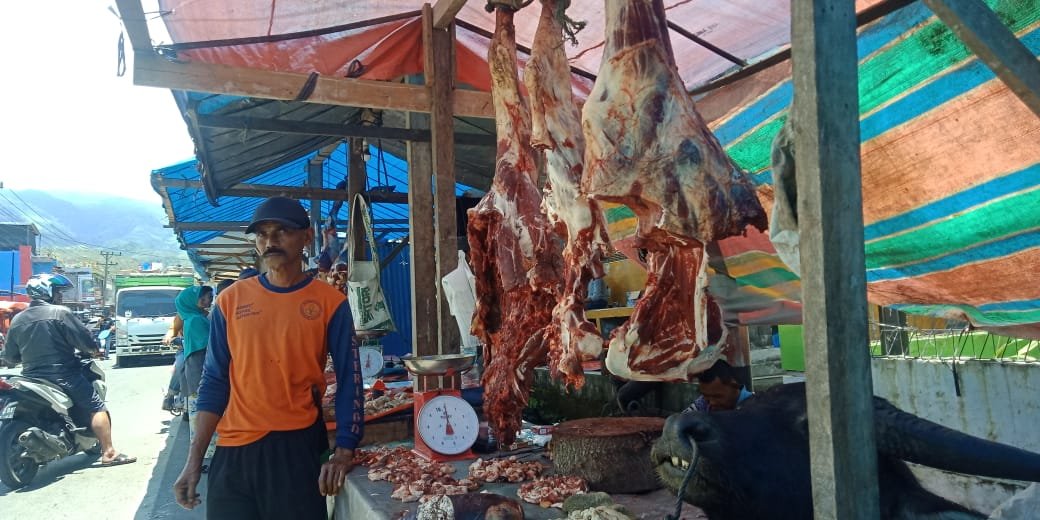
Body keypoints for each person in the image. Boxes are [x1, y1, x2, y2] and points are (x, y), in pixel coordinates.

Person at [174, 196, 363, 518]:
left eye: (281, 231)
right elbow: (215, 381)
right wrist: (193, 461)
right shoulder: (230, 301)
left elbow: (350, 379)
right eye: (262, 234)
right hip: (233, 452)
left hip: (296, 448)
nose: (270, 241)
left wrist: (344, 450)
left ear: (306, 237)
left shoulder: (330, 302)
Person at [3, 274, 136, 467]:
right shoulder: (60, 313)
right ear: (47, 292)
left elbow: (11, 357)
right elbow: (84, 340)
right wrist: (93, 350)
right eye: (58, 292)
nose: (61, 296)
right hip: (64, 375)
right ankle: (109, 452)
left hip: (31, 378)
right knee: (96, 407)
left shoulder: (18, 320)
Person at [174, 285, 214, 447]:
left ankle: (202, 449)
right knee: (204, 412)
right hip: (200, 368)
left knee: (199, 412)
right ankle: (205, 450)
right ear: (190, 301)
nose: (207, 301)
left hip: (196, 368)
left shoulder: (194, 317)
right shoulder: (196, 320)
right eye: (202, 298)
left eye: (209, 297)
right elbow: (209, 345)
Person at [684, 359, 754, 413]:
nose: (711, 402)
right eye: (706, 395)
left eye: (717, 396)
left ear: (735, 386)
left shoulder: (755, 406)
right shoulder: (703, 402)